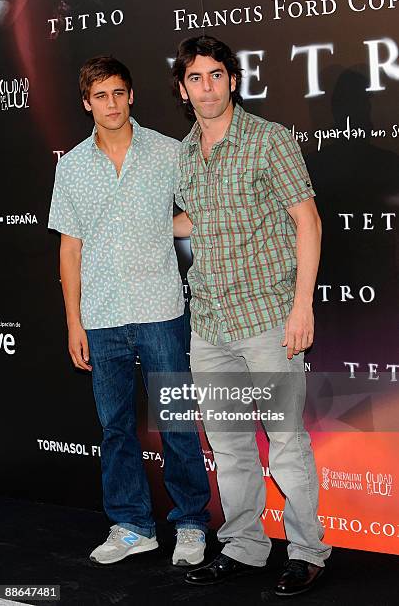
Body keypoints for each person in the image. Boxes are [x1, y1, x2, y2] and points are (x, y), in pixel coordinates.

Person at [172, 36, 331, 596]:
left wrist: (302, 305)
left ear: (232, 81)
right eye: (196, 78)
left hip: (268, 317)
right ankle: (243, 545)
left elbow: (307, 221)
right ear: (183, 88)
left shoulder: (269, 141)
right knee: (230, 443)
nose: (207, 86)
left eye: (216, 75)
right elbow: (197, 221)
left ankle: (307, 551)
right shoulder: (185, 153)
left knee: (285, 441)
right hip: (210, 324)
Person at [48, 55, 210, 567]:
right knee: (115, 428)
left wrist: (174, 228)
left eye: (118, 93)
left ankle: (190, 524)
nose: (111, 104)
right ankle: (132, 525)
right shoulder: (71, 166)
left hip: (161, 309)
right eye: (100, 96)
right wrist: (74, 321)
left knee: (177, 421)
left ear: (132, 95)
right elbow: (69, 248)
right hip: (100, 316)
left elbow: (195, 212)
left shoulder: (167, 152)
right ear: (86, 103)